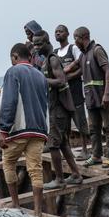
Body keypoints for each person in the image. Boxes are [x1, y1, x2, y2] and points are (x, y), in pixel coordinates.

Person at [0, 43, 49, 216]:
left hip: (19, 130)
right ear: (30, 57)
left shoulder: (13, 71)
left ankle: (16, 204)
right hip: (39, 130)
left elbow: (9, 102)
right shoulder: (40, 76)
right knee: (35, 169)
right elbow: (45, 104)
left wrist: (4, 130)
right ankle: (37, 211)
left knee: (8, 162)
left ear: (14, 56)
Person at [40, 36, 83, 189]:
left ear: (46, 43)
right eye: (35, 44)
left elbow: (61, 81)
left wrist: (42, 80)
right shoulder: (45, 61)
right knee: (63, 143)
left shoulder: (53, 60)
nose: (37, 46)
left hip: (58, 110)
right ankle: (76, 174)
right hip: (54, 108)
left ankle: (59, 179)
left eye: (39, 44)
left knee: (53, 145)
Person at [74, 27, 109, 169]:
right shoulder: (83, 55)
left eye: (75, 38)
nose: (74, 42)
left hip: (103, 96)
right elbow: (72, 67)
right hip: (91, 98)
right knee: (93, 128)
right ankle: (96, 155)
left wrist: (106, 94)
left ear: (82, 37)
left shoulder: (97, 50)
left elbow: (108, 71)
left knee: (108, 127)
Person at [55, 25, 90, 160]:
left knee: (80, 121)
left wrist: (68, 77)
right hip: (62, 94)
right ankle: (67, 150)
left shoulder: (73, 48)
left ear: (67, 33)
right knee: (65, 125)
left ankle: (86, 150)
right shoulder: (56, 52)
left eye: (61, 31)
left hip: (75, 92)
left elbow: (82, 68)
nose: (58, 33)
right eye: (56, 32)